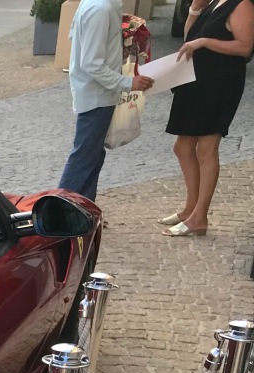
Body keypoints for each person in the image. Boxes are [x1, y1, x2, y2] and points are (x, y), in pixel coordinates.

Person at [158, 0, 254, 236]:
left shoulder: (241, 4)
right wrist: (194, 9)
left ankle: (199, 217)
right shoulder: (212, 2)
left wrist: (205, 42)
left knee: (207, 147)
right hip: (195, 79)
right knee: (183, 147)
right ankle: (190, 209)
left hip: (220, 82)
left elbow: (244, 47)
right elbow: (189, 38)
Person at [56, 0, 153, 201]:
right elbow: (91, 63)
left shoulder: (99, 5)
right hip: (96, 95)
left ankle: (84, 210)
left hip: (97, 93)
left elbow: (79, 40)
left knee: (92, 156)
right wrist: (127, 83)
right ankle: (58, 213)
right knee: (84, 157)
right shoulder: (100, 8)